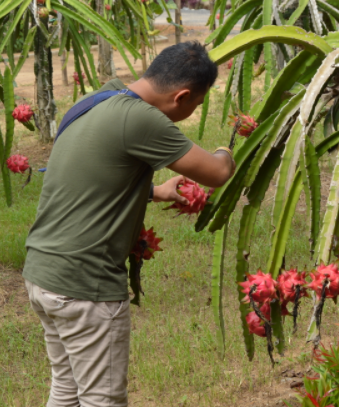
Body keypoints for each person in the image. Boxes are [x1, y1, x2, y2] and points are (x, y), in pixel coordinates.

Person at [22, 41, 234, 407]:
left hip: (43, 274)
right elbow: (216, 173)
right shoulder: (141, 118)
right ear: (181, 97)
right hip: (85, 288)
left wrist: (155, 192)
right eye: (195, 106)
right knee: (101, 401)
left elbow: (92, 175)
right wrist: (228, 151)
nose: (190, 113)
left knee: (67, 392)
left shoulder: (98, 99)